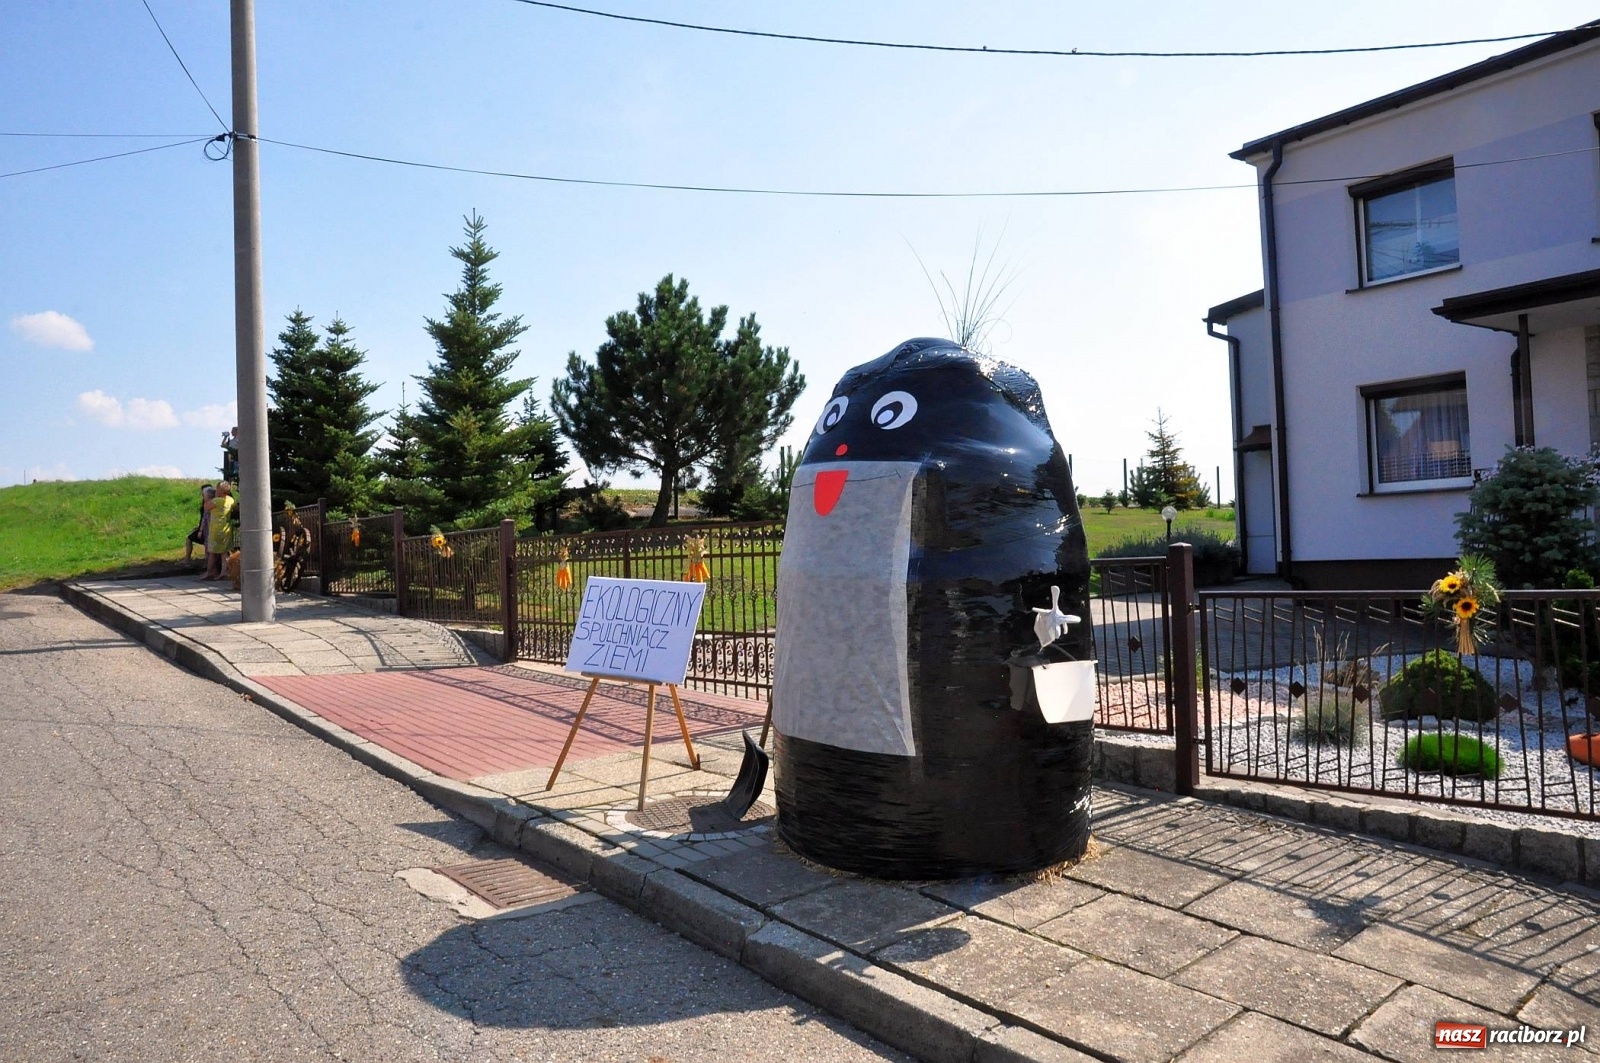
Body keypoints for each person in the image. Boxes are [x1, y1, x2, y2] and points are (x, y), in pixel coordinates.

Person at [203, 482, 236, 581]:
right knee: (224, 552)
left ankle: (209, 572)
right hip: (226, 528)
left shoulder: (216, 501)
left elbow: (206, 507)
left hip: (216, 529)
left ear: (219, 491)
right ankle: (224, 572)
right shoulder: (230, 500)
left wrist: (207, 497)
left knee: (212, 552)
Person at [184, 484, 215, 563]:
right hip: (204, 526)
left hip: (206, 528)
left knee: (191, 539)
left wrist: (201, 529)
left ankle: (188, 559)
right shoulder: (207, 502)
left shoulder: (209, 503)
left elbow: (205, 518)